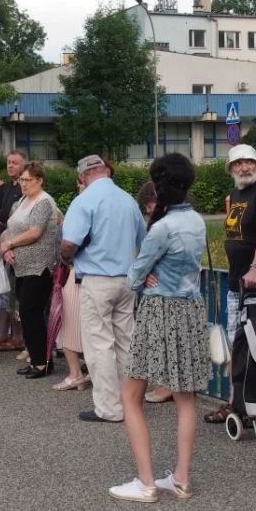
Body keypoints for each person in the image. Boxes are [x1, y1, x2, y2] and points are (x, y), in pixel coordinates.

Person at [109, 153, 211, 503]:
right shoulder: (197, 220)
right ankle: (181, 478)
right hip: (190, 310)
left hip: (159, 311)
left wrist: (145, 275)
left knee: (130, 395)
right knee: (186, 397)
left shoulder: (161, 228)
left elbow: (134, 277)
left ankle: (146, 481)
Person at [204, 144, 256, 424]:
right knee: (238, 344)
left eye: (249, 162)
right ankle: (237, 403)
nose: (244, 168)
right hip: (238, 284)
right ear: (231, 170)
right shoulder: (236, 195)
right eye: (238, 163)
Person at [61, 155, 146, 423]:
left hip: (97, 279)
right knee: (125, 341)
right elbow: (142, 239)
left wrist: (65, 257)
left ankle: (109, 408)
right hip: (127, 279)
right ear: (106, 171)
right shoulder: (128, 200)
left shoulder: (83, 200)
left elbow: (69, 243)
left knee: (99, 344)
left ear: (82, 177)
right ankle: (131, 402)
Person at [1, 161, 60, 379]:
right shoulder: (23, 201)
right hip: (21, 266)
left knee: (31, 313)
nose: (23, 184)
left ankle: (42, 362)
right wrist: (8, 249)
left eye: (27, 180)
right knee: (26, 314)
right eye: (21, 180)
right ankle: (39, 359)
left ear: (40, 180)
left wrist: (9, 244)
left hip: (39, 266)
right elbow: (11, 227)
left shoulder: (44, 202)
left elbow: (35, 232)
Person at [135, 180, 174, 405]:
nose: (148, 211)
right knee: (170, 338)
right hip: (176, 288)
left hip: (161, 289)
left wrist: (141, 275)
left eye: (149, 206)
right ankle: (173, 385)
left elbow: (148, 256)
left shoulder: (161, 225)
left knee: (161, 338)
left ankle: (164, 386)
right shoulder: (185, 219)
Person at [52, 178, 89, 391]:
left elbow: (67, 243)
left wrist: (64, 259)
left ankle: (75, 374)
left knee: (67, 323)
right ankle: (88, 372)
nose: (79, 186)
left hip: (76, 271)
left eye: (81, 182)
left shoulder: (80, 207)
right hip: (95, 274)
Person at [0, 153, 27, 351]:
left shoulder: (24, 189)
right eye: (8, 162)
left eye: (15, 163)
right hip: (4, 245)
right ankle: (6, 333)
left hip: (18, 246)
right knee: (6, 294)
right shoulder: (8, 188)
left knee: (18, 294)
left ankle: (19, 337)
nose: (10, 166)